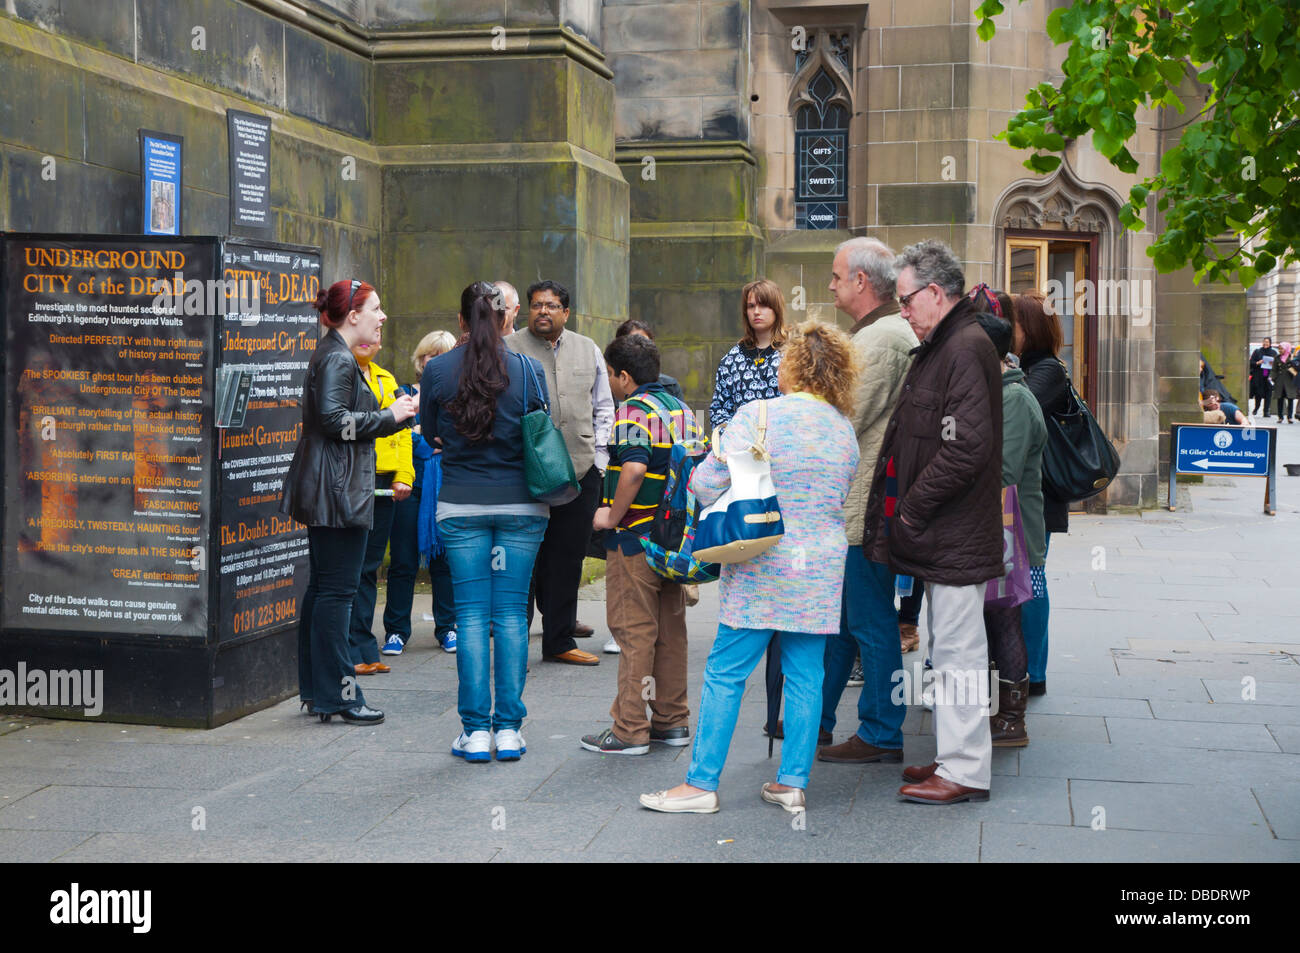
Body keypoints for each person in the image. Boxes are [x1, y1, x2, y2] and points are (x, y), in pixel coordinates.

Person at [638, 321, 859, 814]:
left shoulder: (757, 415)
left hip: (762, 561)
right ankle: (791, 783)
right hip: (820, 565)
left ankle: (700, 785)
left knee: (726, 672)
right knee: (806, 675)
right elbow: (840, 493)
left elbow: (705, 483)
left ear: (793, 365)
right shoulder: (843, 429)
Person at [863, 240, 1002, 805]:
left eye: (906, 300)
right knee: (947, 650)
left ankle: (966, 769)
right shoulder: (949, 344)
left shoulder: (963, 347)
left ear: (935, 293)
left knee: (960, 653)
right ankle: (953, 757)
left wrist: (912, 510)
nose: (903, 311)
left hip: (952, 530)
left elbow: (965, 449)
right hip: (945, 532)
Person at [419, 282, 550, 762]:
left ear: (460, 320)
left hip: (461, 505)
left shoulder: (437, 369)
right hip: (521, 506)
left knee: (472, 617)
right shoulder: (527, 368)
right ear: (503, 320)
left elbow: (431, 433)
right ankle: (509, 730)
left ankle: (475, 732)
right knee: (511, 616)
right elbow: (541, 426)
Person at [281, 279, 418, 725]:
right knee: (336, 594)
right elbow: (334, 421)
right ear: (352, 315)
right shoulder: (339, 358)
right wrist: (391, 417)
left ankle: (319, 691)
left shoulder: (333, 354)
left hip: (327, 487)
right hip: (337, 491)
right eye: (376, 309)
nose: (382, 318)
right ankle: (341, 696)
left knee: (324, 590)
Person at [816, 237, 920, 765]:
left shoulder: (882, 339)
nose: (830, 285)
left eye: (836, 276)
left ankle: (880, 732)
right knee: (843, 621)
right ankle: (820, 721)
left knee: (871, 622)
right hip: (856, 505)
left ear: (861, 281)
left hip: (862, 508)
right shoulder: (878, 334)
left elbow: (843, 419)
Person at [581, 334, 702, 755]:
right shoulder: (682, 410)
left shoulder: (632, 410)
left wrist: (609, 516)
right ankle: (672, 721)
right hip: (673, 541)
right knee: (670, 632)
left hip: (635, 539)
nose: (611, 383)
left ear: (624, 376)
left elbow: (632, 468)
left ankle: (629, 728)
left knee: (633, 631)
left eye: (611, 375)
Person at [506, 279, 614, 667]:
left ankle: (559, 639)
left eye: (551, 306)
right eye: (536, 305)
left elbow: (604, 406)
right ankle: (513, 639)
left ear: (566, 313)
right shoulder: (509, 349)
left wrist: (599, 460)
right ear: (527, 310)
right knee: (524, 557)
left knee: (569, 557)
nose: (543, 312)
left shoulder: (588, 349)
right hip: (525, 472)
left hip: (580, 469)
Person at [971, 285, 1046, 746]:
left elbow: (1004, 474)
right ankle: (986, 710)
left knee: (1004, 620)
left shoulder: (1015, 400)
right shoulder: (996, 392)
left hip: (1008, 529)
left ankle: (1012, 719)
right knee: (984, 622)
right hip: (991, 526)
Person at [382, 330, 459, 656]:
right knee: (402, 561)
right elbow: (392, 435)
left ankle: (448, 628)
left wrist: (428, 435)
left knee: (445, 561)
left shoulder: (459, 397)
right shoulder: (402, 393)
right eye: (431, 354)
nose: (435, 361)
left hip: (447, 486)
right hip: (407, 485)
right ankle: (396, 630)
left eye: (443, 355)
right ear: (420, 359)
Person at [344, 340, 414, 675]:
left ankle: (365, 648)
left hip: (384, 482)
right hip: (353, 481)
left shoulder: (387, 379)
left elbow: (402, 435)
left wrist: (404, 474)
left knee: (370, 566)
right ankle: (349, 650)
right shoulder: (341, 375)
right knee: (351, 569)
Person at [1012, 291, 1068, 696]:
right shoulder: (1030, 367)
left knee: (1032, 579)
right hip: (1028, 489)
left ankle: (1034, 670)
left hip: (1039, 493)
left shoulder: (1046, 370)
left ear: (1027, 329)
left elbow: (1018, 411)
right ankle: (1027, 665)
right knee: (1026, 578)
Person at [709, 279, 787, 429]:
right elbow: (718, 410)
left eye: (763, 305)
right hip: (742, 446)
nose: (756, 311)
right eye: (751, 306)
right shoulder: (730, 360)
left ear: (776, 308)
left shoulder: (793, 354)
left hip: (783, 444)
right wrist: (736, 438)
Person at [615, 319, 687, 402]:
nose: (641, 349)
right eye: (634, 344)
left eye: (646, 343)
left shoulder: (670, 386)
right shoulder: (612, 387)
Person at [1249, 338, 1277, 418]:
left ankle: (1266, 411)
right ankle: (1256, 408)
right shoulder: (1257, 351)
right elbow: (1251, 363)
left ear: (1270, 343)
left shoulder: (1273, 352)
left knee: (1268, 394)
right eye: (1264, 342)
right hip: (1259, 376)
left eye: (1267, 342)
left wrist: (1272, 364)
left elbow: (1276, 364)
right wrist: (1258, 362)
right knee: (1258, 393)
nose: (1265, 343)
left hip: (1268, 376)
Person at [1273, 342, 1296, 422]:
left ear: (1286, 349)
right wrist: (1273, 378)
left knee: (1290, 399)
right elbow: (1274, 369)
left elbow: (1296, 368)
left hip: (1290, 381)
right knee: (1280, 399)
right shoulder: (1277, 358)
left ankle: (1289, 417)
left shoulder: (1292, 357)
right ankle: (1280, 417)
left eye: (1282, 349)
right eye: (1279, 349)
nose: (1280, 350)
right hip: (1279, 381)